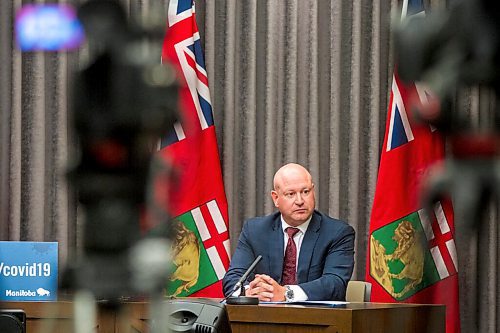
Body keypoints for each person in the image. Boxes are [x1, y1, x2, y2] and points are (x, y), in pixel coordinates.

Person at [222, 163, 355, 302]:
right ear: (275, 198)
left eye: (305, 192)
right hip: (264, 320)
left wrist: (286, 293)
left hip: (317, 319)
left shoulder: (337, 233)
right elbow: (233, 279)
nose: (300, 201)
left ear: (313, 191)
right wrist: (249, 292)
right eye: (291, 194)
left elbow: (335, 284)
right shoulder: (255, 231)